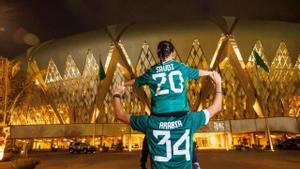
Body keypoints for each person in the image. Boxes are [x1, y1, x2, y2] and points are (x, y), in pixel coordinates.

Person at [125, 40, 213, 168]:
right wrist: (210, 73)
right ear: (173, 53)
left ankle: (143, 162)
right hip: (180, 112)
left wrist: (123, 84)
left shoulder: (153, 71)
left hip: (160, 113)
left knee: (149, 136)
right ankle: (195, 163)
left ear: (157, 54)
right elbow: (197, 72)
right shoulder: (180, 67)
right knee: (187, 132)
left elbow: (137, 81)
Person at [113, 72, 222, 169]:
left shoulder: (150, 123)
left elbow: (119, 114)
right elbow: (217, 107)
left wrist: (117, 94)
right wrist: (218, 84)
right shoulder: (188, 121)